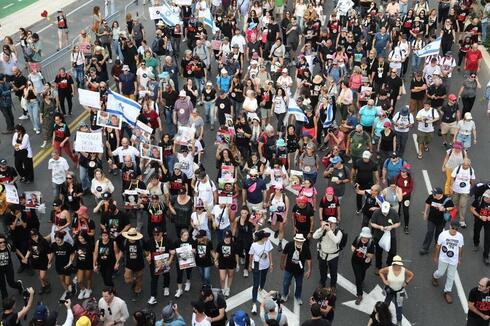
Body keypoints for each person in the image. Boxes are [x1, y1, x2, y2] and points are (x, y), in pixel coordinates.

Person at [378, 255, 414, 325]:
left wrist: (406, 282)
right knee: (386, 304)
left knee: (399, 307)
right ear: (394, 264)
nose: (399, 266)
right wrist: (384, 280)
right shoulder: (389, 269)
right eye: (397, 265)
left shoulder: (403, 270)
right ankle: (382, 318)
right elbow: (380, 271)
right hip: (390, 290)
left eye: (400, 265)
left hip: (400, 291)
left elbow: (411, 275)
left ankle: (399, 321)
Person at [145, 226, 175, 305]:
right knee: (154, 279)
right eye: (154, 234)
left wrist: (170, 260)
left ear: (161, 233)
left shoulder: (167, 240)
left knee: (166, 275)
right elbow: (147, 251)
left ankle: (166, 287)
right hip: (154, 263)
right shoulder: (150, 241)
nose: (156, 236)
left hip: (165, 261)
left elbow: (172, 251)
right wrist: (147, 257)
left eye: (157, 234)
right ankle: (153, 296)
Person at [280, 233, 312, 304]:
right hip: (289, 268)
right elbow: (283, 254)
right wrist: (281, 264)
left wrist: (309, 270)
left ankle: (298, 296)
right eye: (297, 241)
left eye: (300, 241)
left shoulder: (306, 247)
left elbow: (309, 259)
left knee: (299, 284)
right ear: (295, 240)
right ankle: (285, 294)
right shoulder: (289, 245)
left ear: (303, 241)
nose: (299, 242)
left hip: (299, 271)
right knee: (286, 283)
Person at [370, 202, 401, 272]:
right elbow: (372, 223)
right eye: (383, 212)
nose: (385, 214)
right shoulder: (376, 212)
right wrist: (379, 227)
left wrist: (391, 227)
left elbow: (398, 223)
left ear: (389, 208)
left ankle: (389, 264)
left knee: (392, 252)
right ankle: (378, 266)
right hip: (378, 235)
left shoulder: (393, 212)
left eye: (386, 212)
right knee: (378, 252)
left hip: (391, 236)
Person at [248, 230, 273, 314]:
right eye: (266, 236)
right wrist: (249, 265)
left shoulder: (267, 242)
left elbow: (269, 253)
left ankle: (261, 289)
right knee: (255, 284)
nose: (267, 237)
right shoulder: (254, 245)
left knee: (263, 279)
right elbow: (251, 255)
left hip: (266, 264)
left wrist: (271, 264)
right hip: (256, 265)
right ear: (262, 238)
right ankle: (254, 304)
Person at [313, 217, 342, 289]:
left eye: (332, 223)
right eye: (329, 223)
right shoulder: (324, 230)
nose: (330, 224)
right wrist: (321, 228)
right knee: (322, 270)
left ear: (336, 224)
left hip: (333, 256)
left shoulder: (339, 232)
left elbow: (336, 241)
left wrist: (329, 231)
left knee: (333, 273)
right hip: (322, 255)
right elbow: (314, 236)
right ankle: (322, 283)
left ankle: (333, 286)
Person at [351, 227, 375, 305]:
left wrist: (365, 253)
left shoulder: (371, 243)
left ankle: (361, 281)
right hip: (355, 261)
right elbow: (352, 247)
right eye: (364, 237)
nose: (365, 238)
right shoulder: (358, 239)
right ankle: (359, 295)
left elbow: (371, 255)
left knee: (362, 274)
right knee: (358, 277)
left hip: (365, 263)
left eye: (366, 237)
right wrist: (357, 250)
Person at [451, 159, 476, 228]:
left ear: (469, 165)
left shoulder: (471, 170)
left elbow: (472, 179)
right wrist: (451, 186)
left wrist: (472, 188)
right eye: (464, 165)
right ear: (462, 164)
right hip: (456, 189)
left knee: (463, 205)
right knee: (454, 202)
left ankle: (462, 220)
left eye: (467, 165)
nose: (465, 166)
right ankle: (454, 212)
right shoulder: (458, 168)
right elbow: (452, 177)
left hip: (465, 191)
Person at [470, 190, 490, 265]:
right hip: (479, 219)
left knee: (488, 238)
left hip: (488, 222)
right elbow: (472, 209)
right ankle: (476, 243)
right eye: (487, 198)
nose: (488, 199)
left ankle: (486, 256)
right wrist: (480, 216)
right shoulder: (478, 200)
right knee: (476, 232)